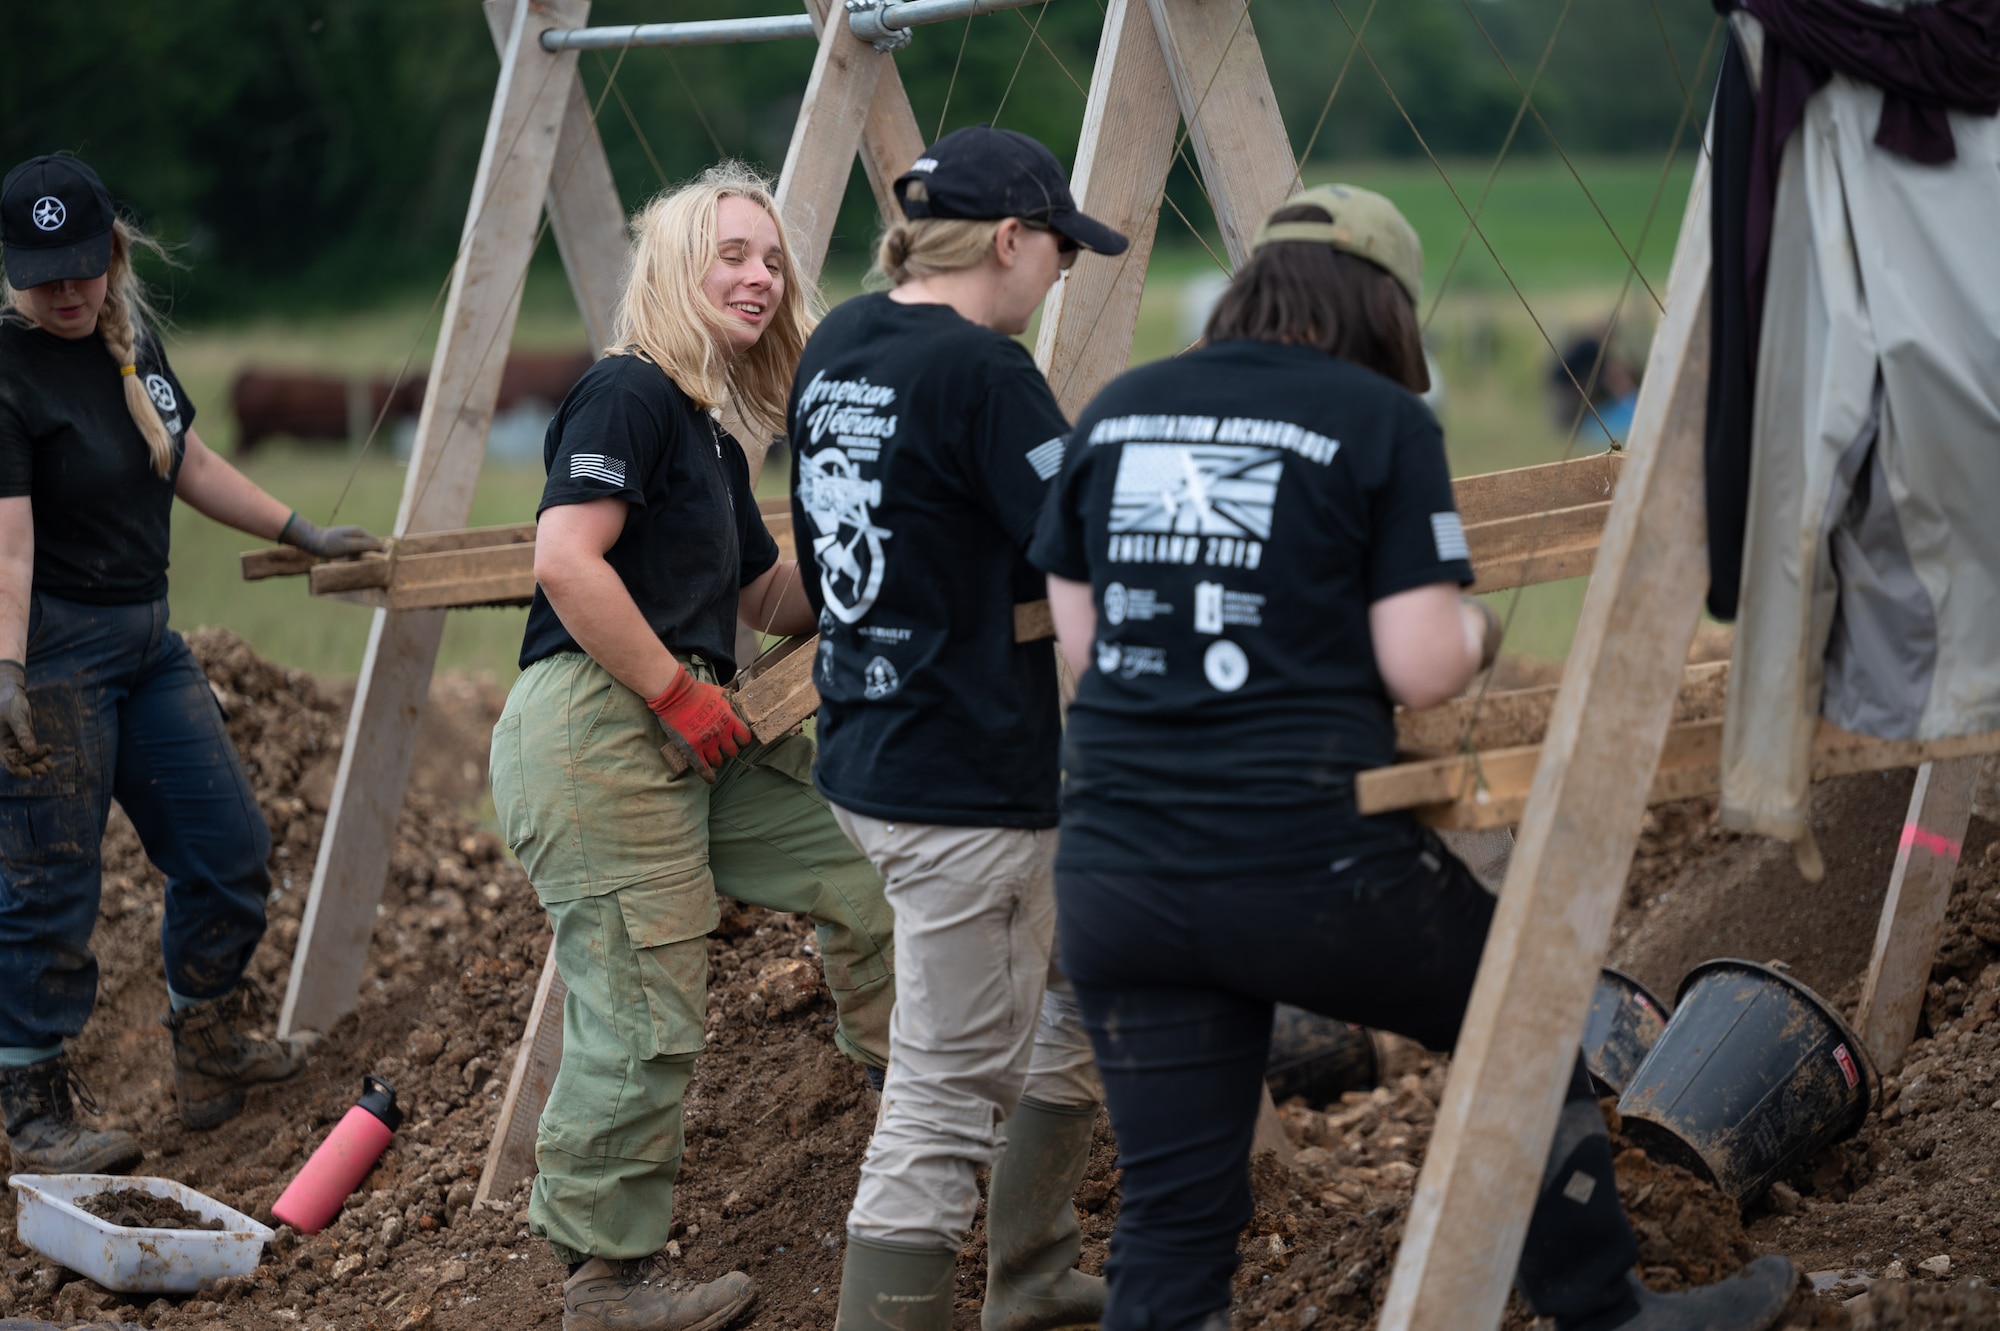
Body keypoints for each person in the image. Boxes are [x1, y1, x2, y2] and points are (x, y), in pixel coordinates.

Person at [1028, 184, 1799, 1331]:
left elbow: (1089, 652)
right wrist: (1478, 629)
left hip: (1114, 874)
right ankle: (1607, 1308)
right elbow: (1422, 662)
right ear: (1382, 306)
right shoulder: (1374, 420)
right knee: (1526, 1007)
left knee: (1174, 1212)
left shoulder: (1120, 412)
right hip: (1303, 860)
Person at [487, 162, 897, 1331]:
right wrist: (672, 690)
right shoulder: (627, 392)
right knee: (644, 999)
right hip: (603, 729)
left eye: (772, 259)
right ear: (674, 266)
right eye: (733, 253)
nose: (760, 276)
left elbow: (762, 590)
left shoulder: (711, 436)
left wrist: (882, 555)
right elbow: (566, 559)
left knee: (862, 856)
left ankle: (913, 1105)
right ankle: (605, 1281)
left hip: (691, 721)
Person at [786, 125, 1128, 1331]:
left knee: (1081, 975)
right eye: (1058, 248)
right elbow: (1080, 529)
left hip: (871, 748)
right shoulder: (983, 372)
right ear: (1005, 239)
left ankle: (1030, 1271)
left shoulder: (838, 343)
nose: (1062, 272)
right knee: (941, 1092)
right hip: (963, 784)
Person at [0, 155, 377, 1171]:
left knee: (228, 845)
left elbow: (190, 461)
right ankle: (35, 1115)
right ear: (13, 273)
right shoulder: (6, 369)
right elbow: (10, 540)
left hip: (147, 640)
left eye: (82, 268)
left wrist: (301, 529)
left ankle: (209, 1050)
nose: (67, 292)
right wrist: (4, 668)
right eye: (45, 276)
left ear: (111, 255)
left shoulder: (132, 344)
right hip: (51, 651)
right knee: (49, 881)